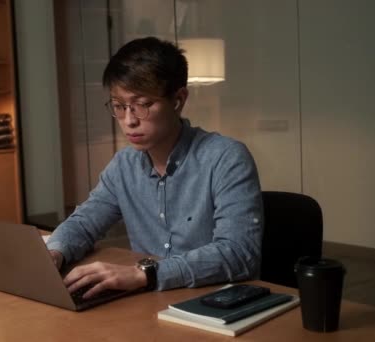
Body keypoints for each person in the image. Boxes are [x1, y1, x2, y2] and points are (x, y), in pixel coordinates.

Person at [46, 36, 263, 299]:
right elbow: (84, 222)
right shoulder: (123, 165)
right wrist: (54, 253)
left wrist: (145, 274)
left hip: (214, 302)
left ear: (178, 99)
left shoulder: (226, 158)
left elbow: (240, 254)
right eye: (119, 106)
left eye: (143, 105)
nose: (129, 121)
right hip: (151, 302)